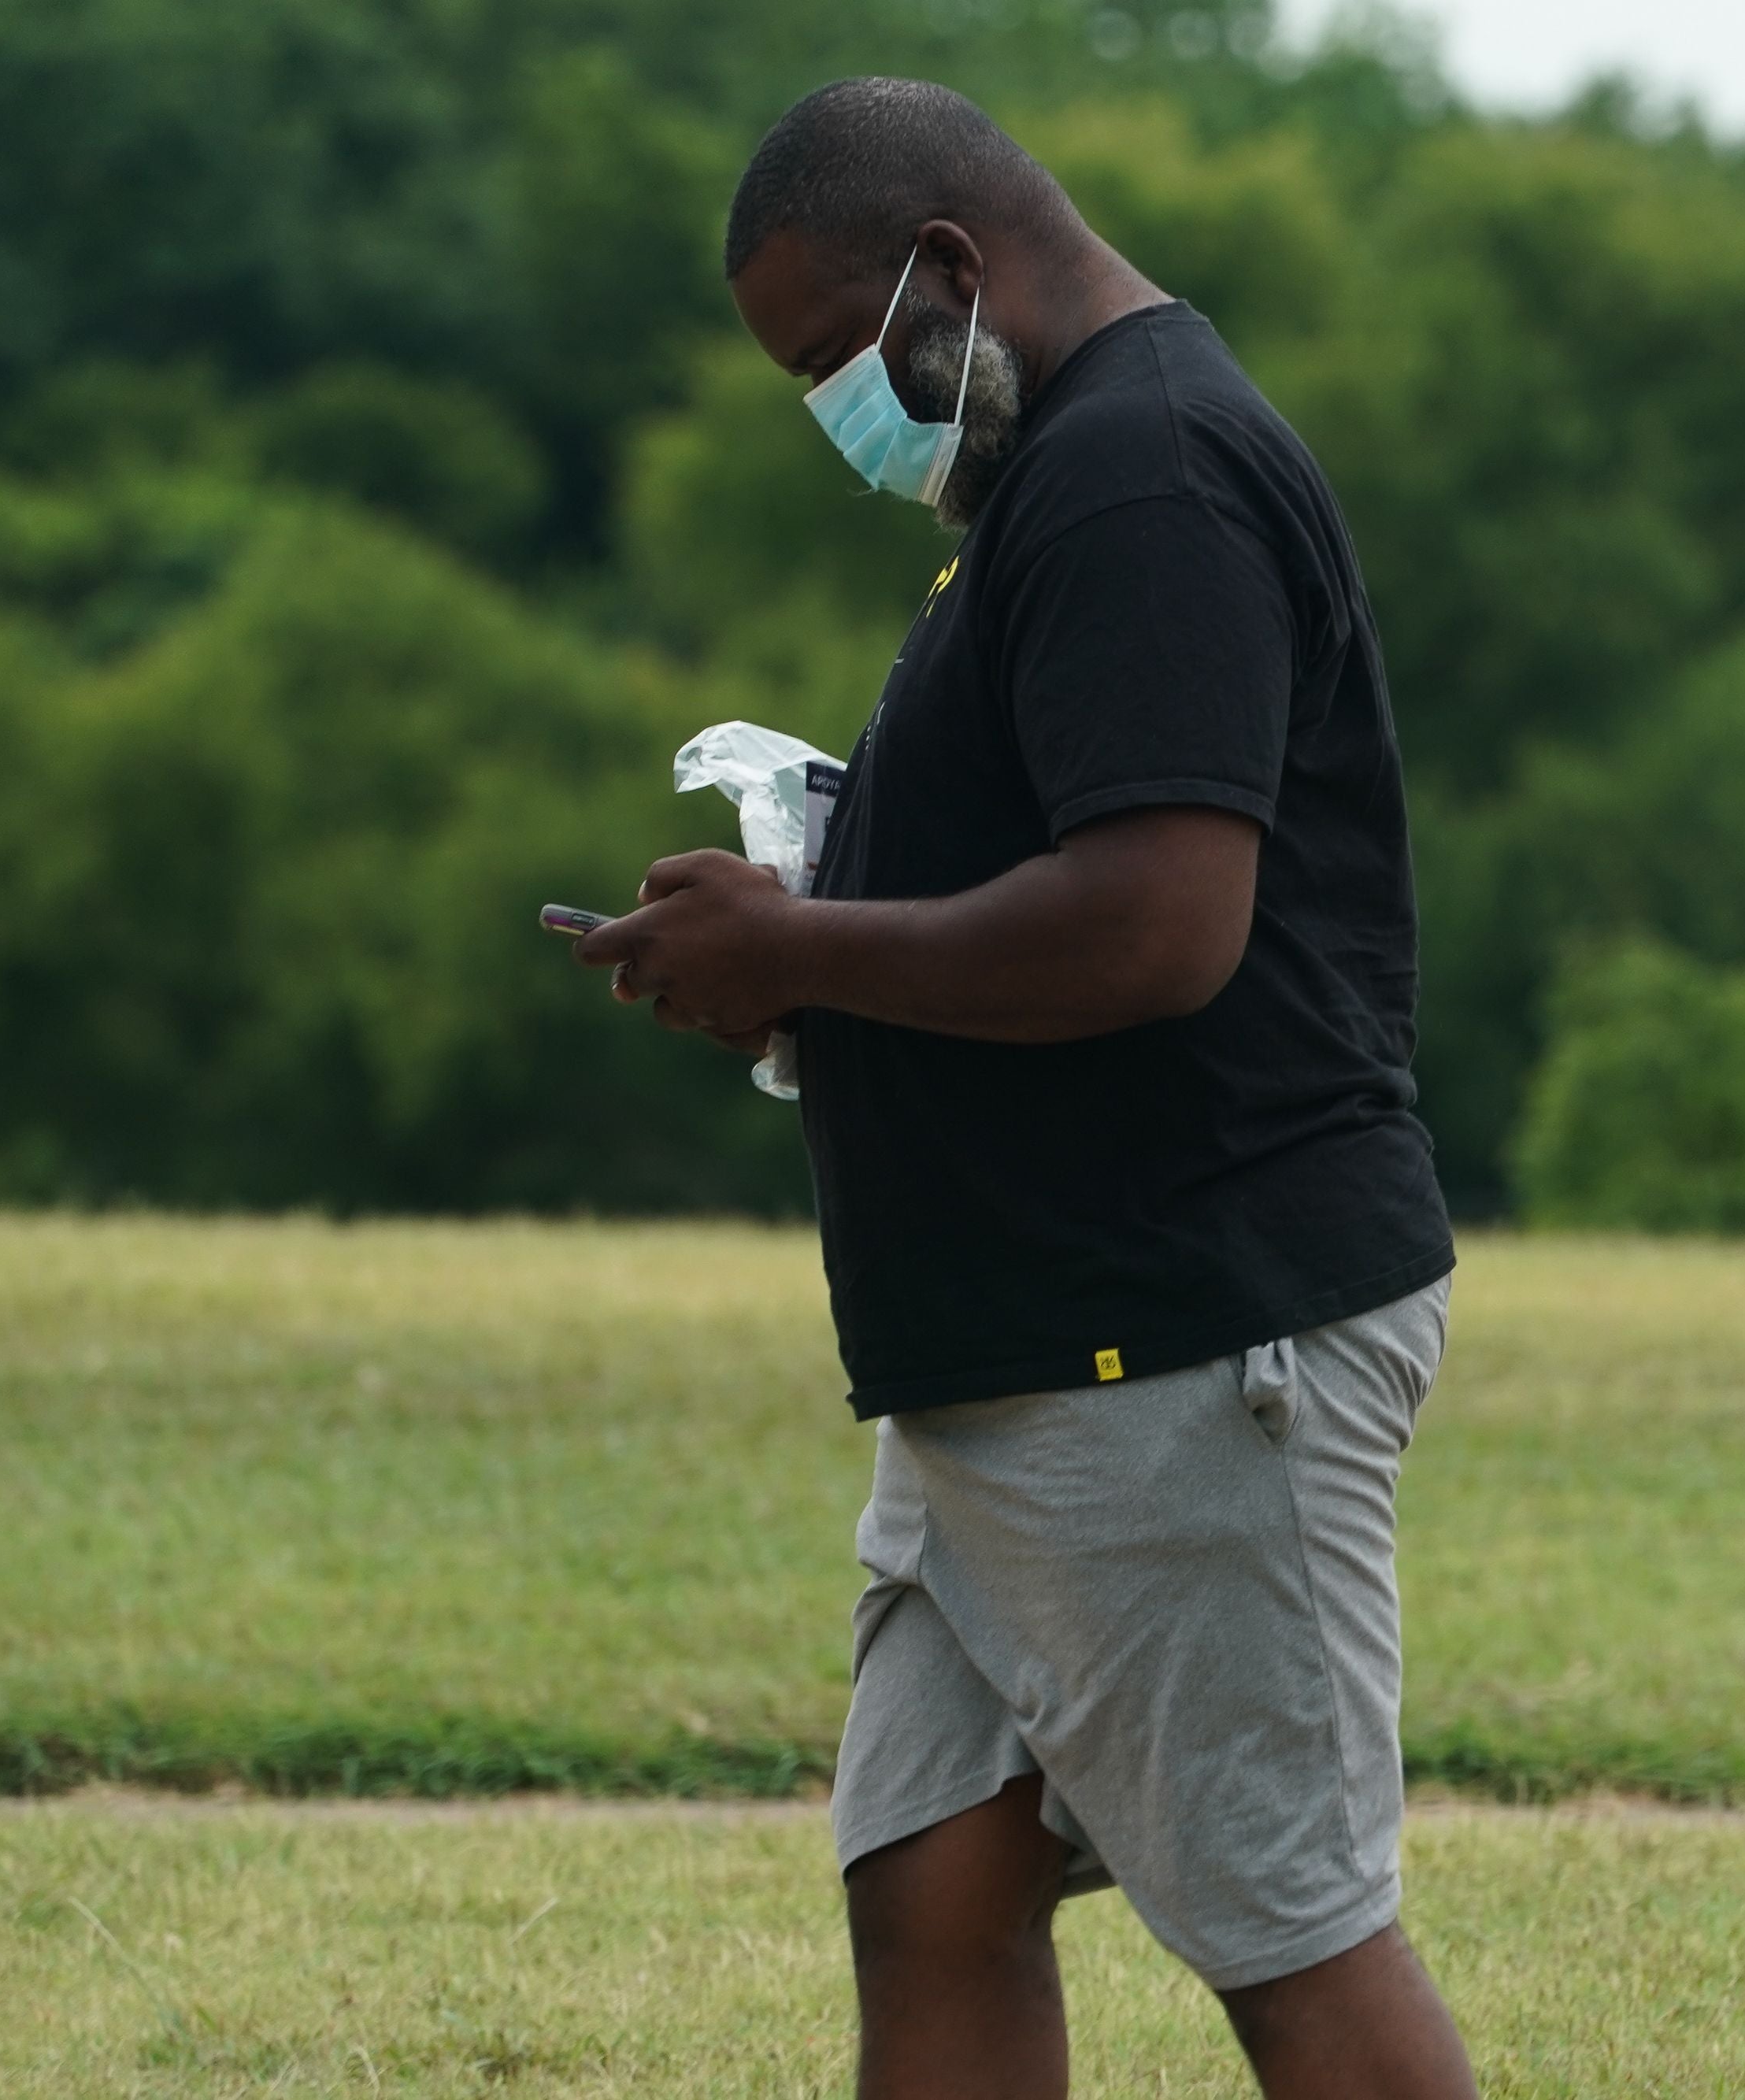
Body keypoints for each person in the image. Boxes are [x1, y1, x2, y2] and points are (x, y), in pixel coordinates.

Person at [572, 76, 1474, 2100]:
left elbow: (1157, 921)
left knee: (1289, 1930)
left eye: (832, 359)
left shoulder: (1140, 475)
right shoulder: (1059, 473)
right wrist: (825, 921)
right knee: (936, 1885)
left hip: (1174, 1331)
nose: (836, 419)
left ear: (950, 272)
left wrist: (797, 949)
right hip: (1019, 1362)